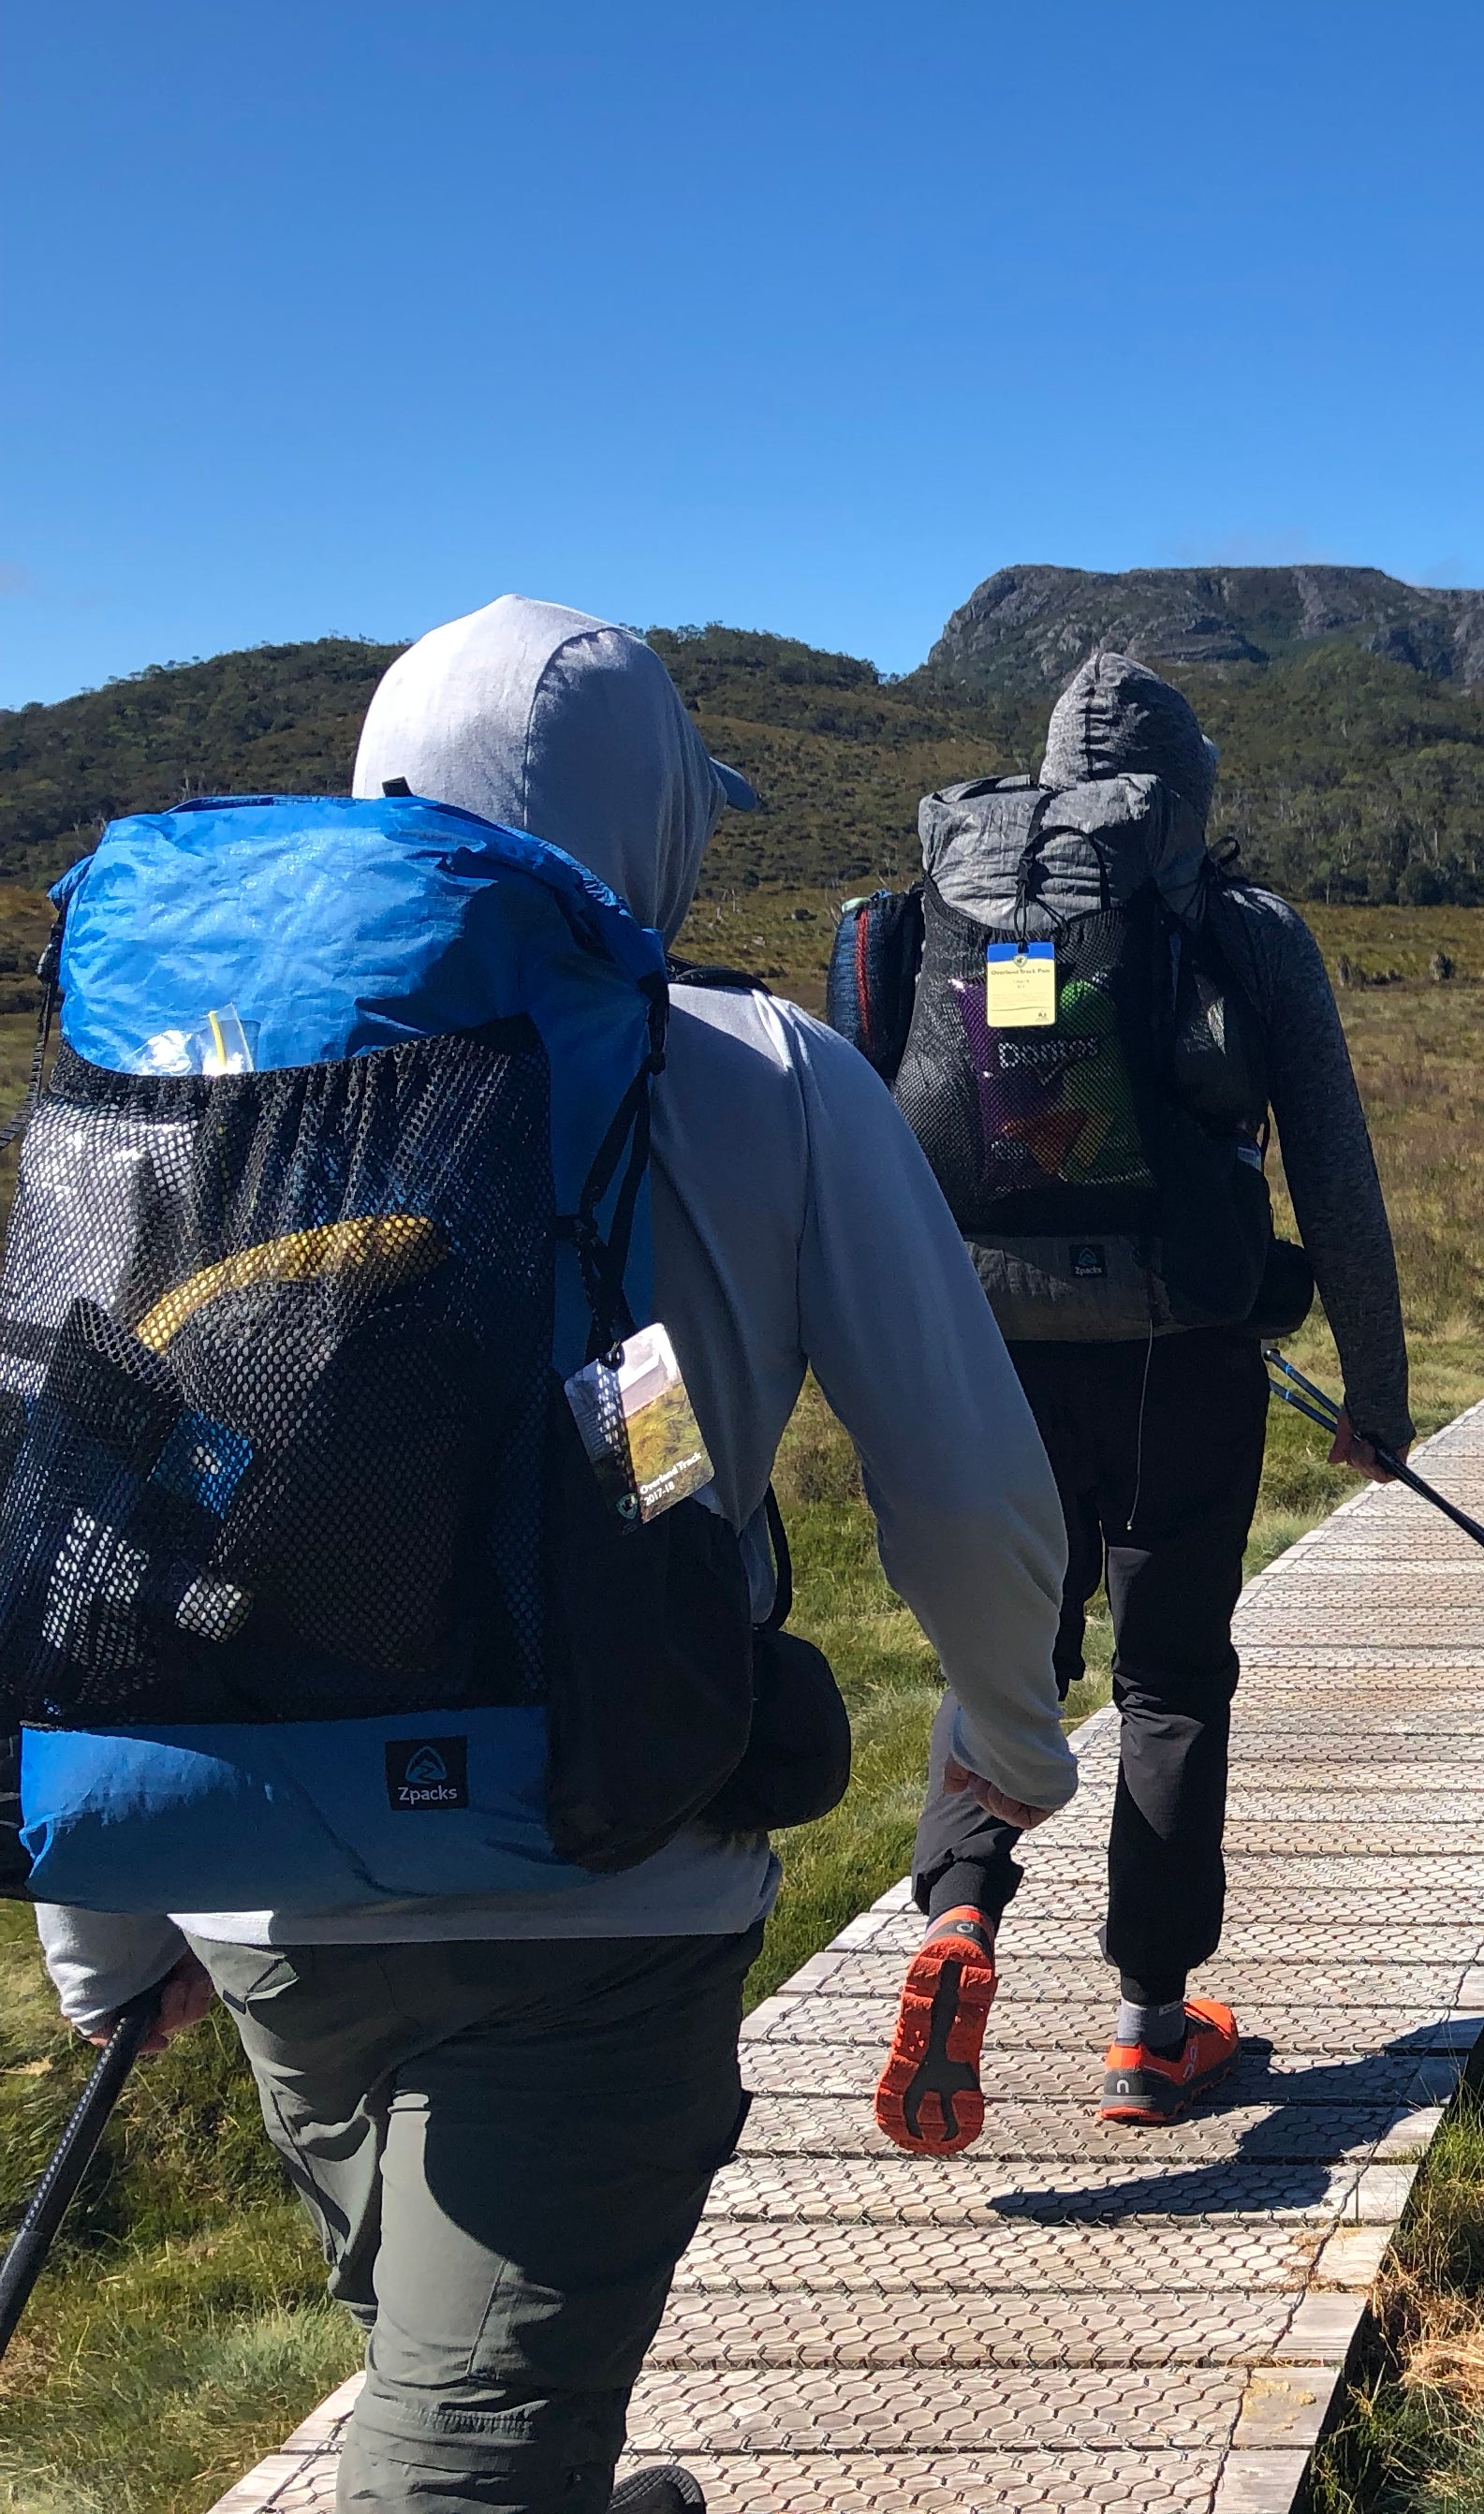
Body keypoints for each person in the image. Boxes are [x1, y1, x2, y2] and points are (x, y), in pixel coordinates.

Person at [29, 597, 1082, 2514]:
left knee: (453, 2390)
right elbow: (967, 1488)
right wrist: (1010, 1744)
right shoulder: (765, 1069)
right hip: (606, 1874)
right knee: (473, 2444)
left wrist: (107, 1918)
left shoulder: (211, 1096)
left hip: (262, 1882)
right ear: (655, 826)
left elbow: (104, 1496)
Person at [871, 651, 1412, 2150]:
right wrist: (1375, 1393)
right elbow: (1339, 1177)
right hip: (1188, 1356)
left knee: (1009, 1654)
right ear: (1192, 788)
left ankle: (961, 1920)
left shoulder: (934, 917)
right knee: (1170, 1676)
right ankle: (1152, 2033)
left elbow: (859, 1154)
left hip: (986, 1360)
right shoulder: (1240, 928)